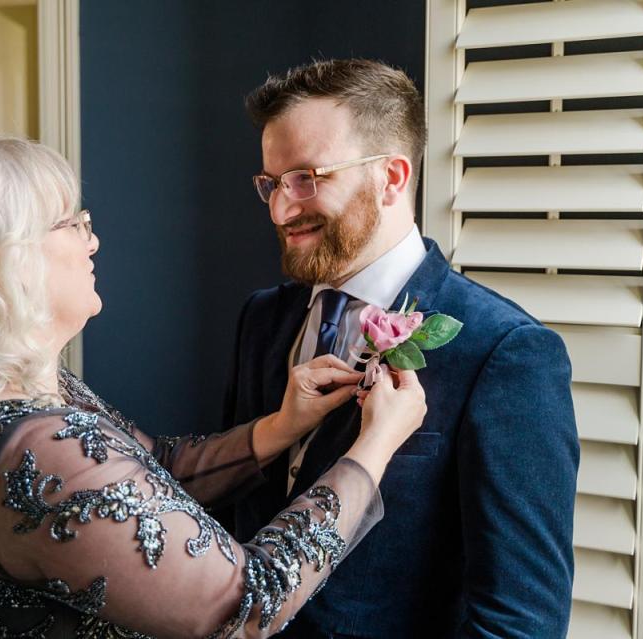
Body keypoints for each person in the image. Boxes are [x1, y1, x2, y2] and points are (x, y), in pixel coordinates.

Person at [0, 136, 426, 638]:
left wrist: (282, 426)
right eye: (72, 224)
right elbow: (249, 604)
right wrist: (374, 446)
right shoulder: (38, 452)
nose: (93, 241)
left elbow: (154, 467)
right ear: (6, 261)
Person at [223, 58, 579, 638]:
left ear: (391, 177)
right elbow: (225, 514)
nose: (281, 209)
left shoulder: (506, 353)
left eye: (307, 178)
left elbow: (520, 623)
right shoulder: (262, 319)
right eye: (272, 183)